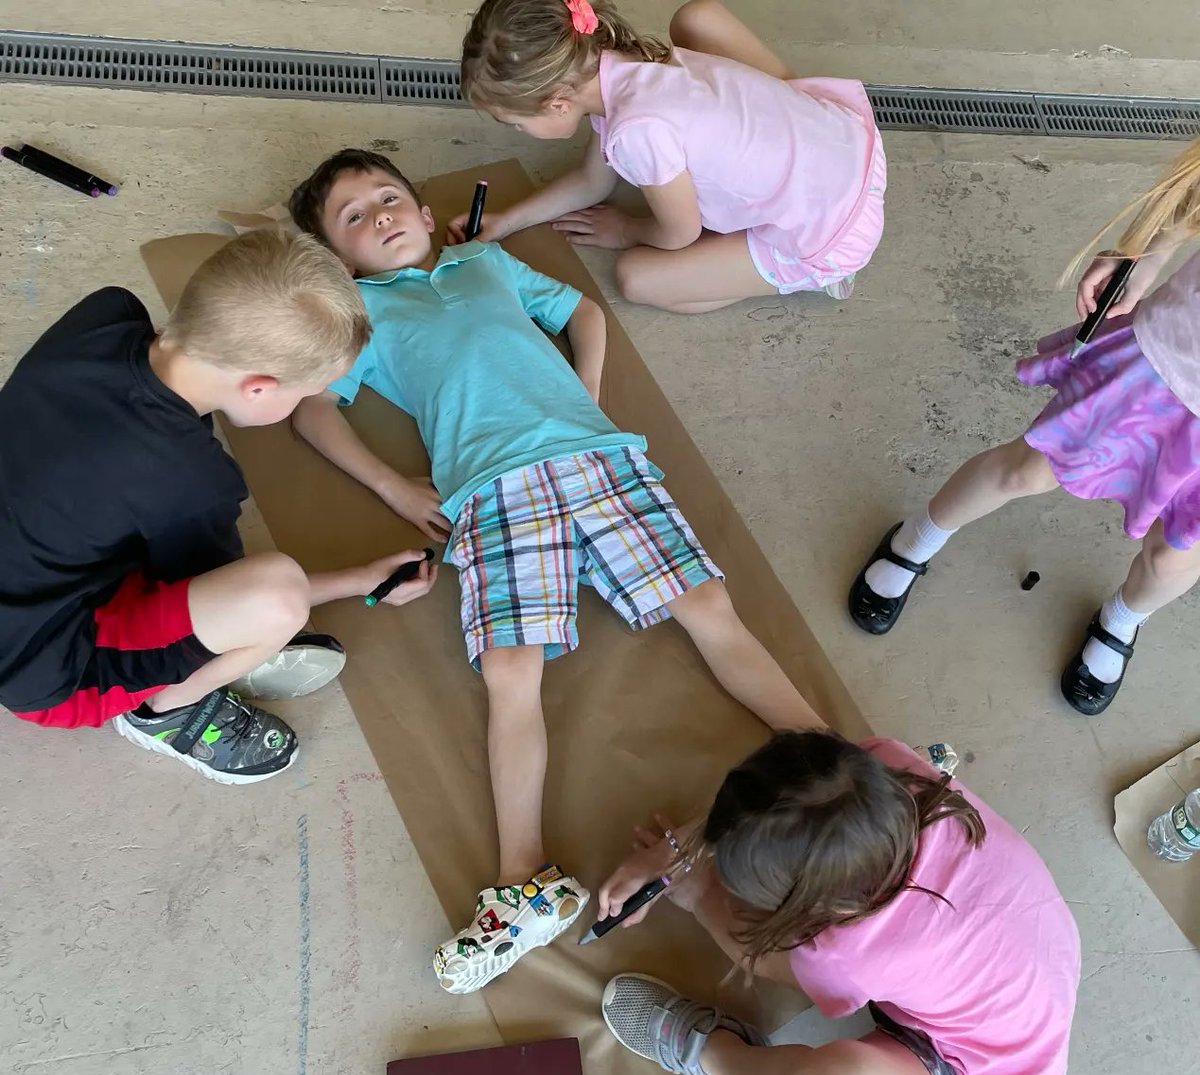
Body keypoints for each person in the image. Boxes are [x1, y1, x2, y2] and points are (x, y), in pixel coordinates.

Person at [287, 147, 817, 991]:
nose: (381, 215)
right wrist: (391, 486)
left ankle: (839, 755)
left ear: (426, 213)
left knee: (708, 605)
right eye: (354, 217)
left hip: (597, 457)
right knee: (509, 672)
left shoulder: (483, 261)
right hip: (489, 491)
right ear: (339, 259)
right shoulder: (361, 317)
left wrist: (589, 396)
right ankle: (522, 883)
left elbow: (584, 314)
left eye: (390, 196)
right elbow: (313, 410)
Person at [0, 228, 437, 784]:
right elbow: (246, 592)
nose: (303, 402)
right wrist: (359, 580)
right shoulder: (191, 481)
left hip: (30, 559)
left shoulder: (107, 313)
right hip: (46, 664)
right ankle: (165, 711)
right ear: (257, 388)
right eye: (304, 392)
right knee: (278, 600)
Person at [596, 704, 1079, 1075]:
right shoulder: (886, 768)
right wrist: (680, 846)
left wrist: (700, 895)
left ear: (827, 909)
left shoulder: (851, 954)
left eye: (754, 893)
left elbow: (767, 964)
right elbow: (791, 798)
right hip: (1012, 998)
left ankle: (715, 1054)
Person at [849, 138, 1200, 716]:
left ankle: (1121, 622)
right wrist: (1146, 257)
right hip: (1167, 364)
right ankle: (914, 541)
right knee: (1027, 469)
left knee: (1176, 554)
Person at [450, 0, 885, 314]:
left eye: (515, 123)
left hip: (834, 230)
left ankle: (804, 274)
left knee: (638, 277)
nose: (517, 130)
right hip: (847, 140)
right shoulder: (617, 65)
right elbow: (591, 180)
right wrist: (505, 221)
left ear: (558, 103)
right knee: (695, 17)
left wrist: (625, 228)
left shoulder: (637, 133)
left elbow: (680, 232)